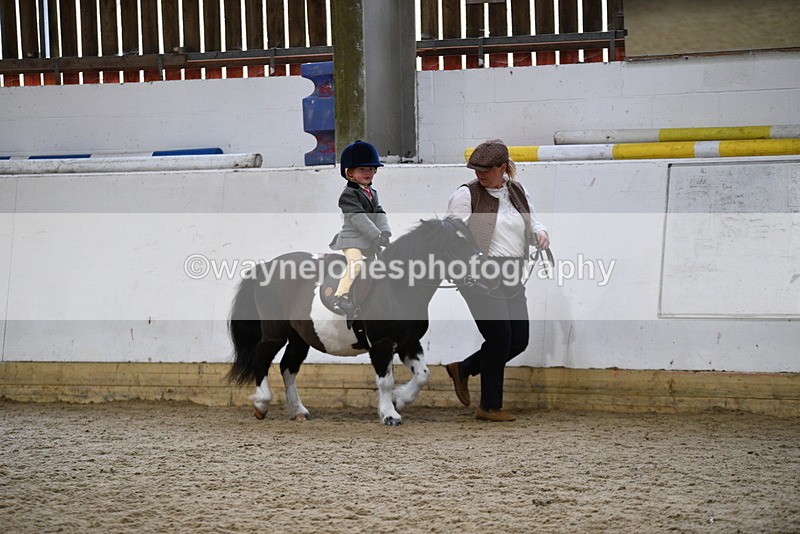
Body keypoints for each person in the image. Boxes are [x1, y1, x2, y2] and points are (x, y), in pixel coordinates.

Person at [445, 139, 550, 422]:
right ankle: (490, 406)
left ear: (503, 167)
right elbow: (452, 234)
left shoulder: (517, 191)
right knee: (500, 337)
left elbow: (533, 222)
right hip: (478, 274)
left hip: (512, 271)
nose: (480, 173)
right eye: (476, 168)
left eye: (486, 169)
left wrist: (540, 233)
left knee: (518, 339)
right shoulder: (466, 195)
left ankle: (464, 368)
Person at [329, 140, 392, 313]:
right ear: (349, 172)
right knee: (356, 264)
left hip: (370, 239)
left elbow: (379, 212)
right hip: (353, 240)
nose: (369, 173)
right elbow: (359, 219)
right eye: (362, 169)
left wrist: (385, 232)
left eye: (371, 169)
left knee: (383, 265)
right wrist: (376, 235)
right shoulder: (348, 195)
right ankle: (340, 296)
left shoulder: (372, 192)